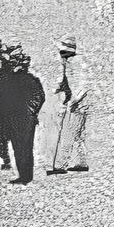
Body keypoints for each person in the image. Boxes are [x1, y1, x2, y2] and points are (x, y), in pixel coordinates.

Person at [0, 46, 46, 185]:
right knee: (22, 147)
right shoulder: (21, 80)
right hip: (21, 119)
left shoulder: (19, 80)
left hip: (20, 119)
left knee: (21, 147)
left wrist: (28, 111)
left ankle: (25, 176)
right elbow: (38, 98)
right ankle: (24, 176)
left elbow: (38, 98)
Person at [47, 35, 92, 175]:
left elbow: (83, 84)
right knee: (78, 134)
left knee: (68, 133)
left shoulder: (75, 62)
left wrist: (73, 100)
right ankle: (81, 162)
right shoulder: (70, 62)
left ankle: (60, 166)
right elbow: (69, 82)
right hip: (81, 103)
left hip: (78, 104)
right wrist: (59, 88)